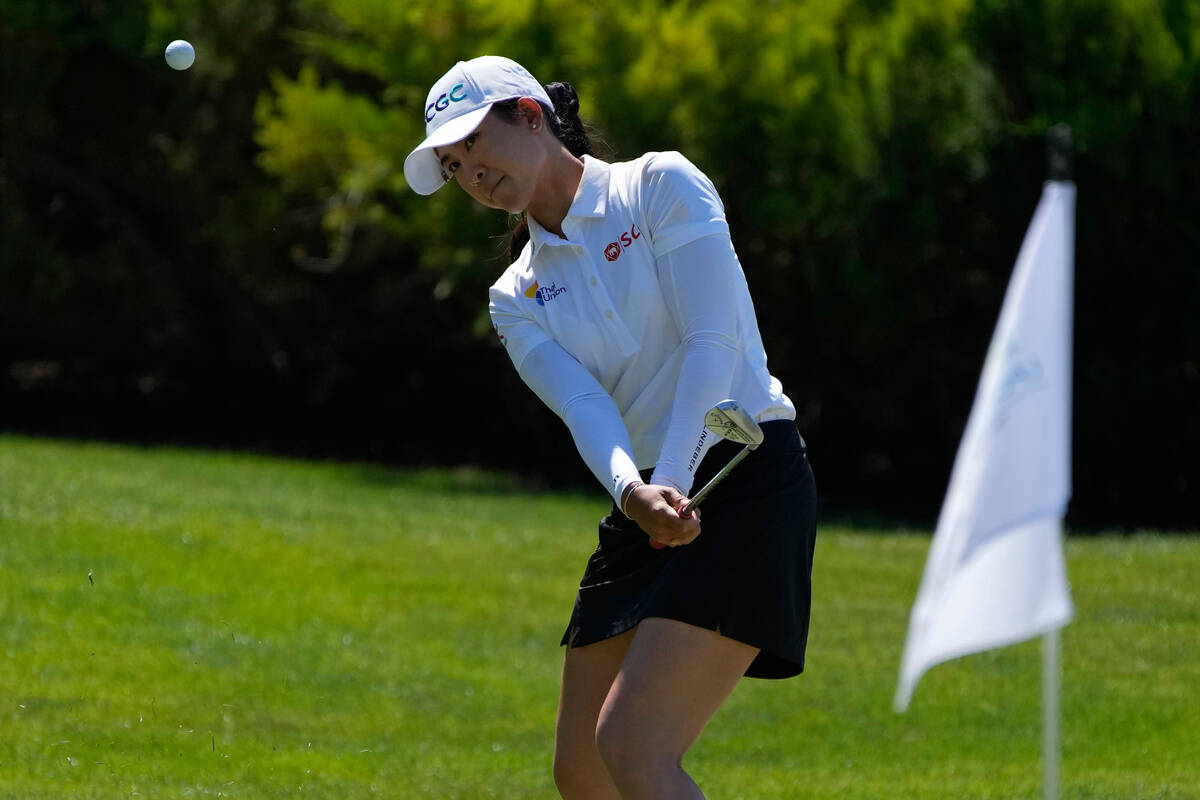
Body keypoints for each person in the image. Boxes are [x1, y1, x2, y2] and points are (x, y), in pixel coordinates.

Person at [404, 55, 817, 800]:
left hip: (743, 476)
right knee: (582, 773)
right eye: (454, 166)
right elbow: (587, 407)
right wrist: (634, 492)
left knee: (632, 743)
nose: (472, 176)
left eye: (476, 148)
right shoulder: (514, 295)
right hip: (649, 501)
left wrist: (671, 482)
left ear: (530, 116)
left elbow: (712, 346)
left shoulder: (659, 184)